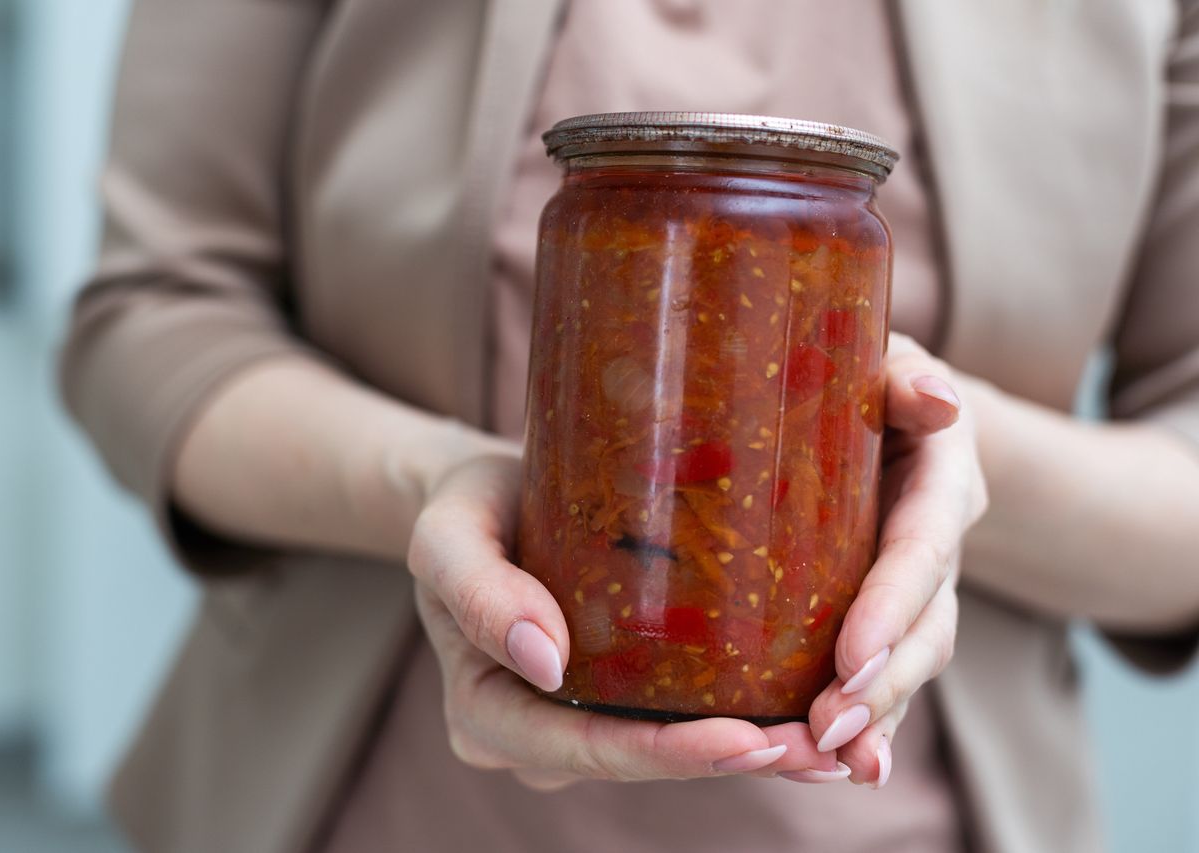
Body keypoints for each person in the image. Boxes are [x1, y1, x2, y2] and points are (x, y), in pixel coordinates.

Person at [60, 1, 1199, 851]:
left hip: (909, 820)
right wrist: (433, 482)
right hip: (370, 807)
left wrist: (928, 462)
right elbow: (155, 317)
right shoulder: (598, 205)